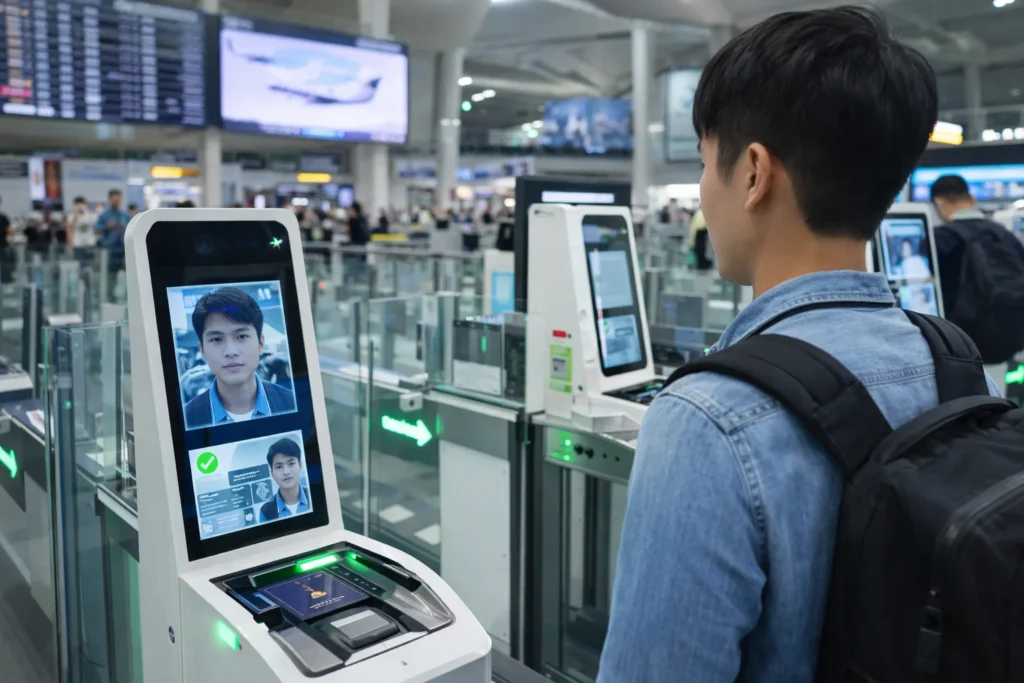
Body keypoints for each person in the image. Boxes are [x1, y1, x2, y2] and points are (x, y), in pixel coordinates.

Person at [594, 8, 991, 683]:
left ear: (753, 173)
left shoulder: (707, 419)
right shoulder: (957, 364)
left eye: (703, 165)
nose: (703, 192)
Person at [183, 287, 296, 429]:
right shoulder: (186, 419)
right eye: (217, 339)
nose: (231, 352)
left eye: (241, 336)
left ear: (261, 343)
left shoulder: (292, 403)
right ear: (202, 349)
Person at [258, 437, 311, 522]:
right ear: (272, 474)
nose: (286, 472)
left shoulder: (315, 494)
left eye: (291, 463)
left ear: (300, 466)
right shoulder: (265, 511)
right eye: (279, 467)